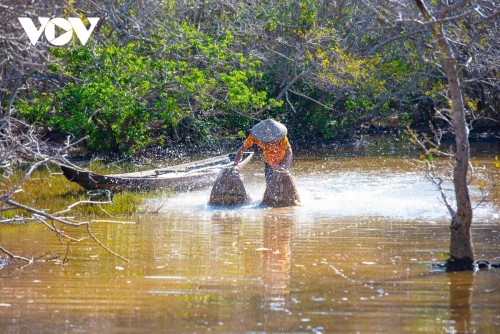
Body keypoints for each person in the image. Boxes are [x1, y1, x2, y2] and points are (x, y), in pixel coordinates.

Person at [233, 119, 293, 184]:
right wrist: (236, 164)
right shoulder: (254, 136)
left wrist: (282, 165)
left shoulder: (281, 137)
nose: (268, 136)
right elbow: (242, 149)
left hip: (283, 159)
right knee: (269, 182)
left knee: (282, 180)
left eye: (270, 134)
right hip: (268, 160)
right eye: (266, 134)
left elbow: (289, 151)